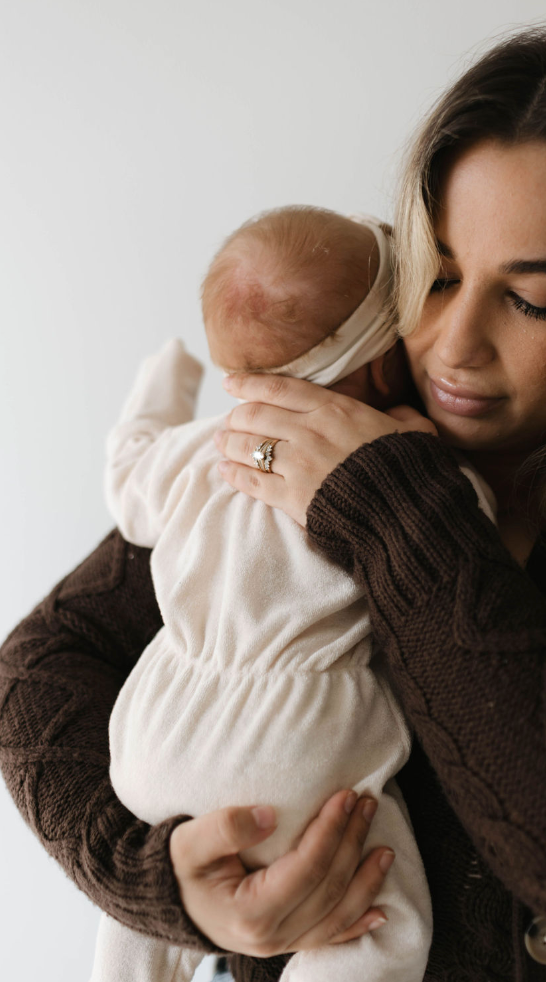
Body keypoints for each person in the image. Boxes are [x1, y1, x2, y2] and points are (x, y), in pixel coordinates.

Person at [1, 24, 546, 982]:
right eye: (440, 275)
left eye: (535, 302)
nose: (454, 346)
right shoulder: (324, 421)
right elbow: (36, 670)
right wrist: (164, 882)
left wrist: (397, 520)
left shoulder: (372, 471)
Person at [90, 206, 476, 982]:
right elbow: (466, 538)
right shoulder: (401, 463)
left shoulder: (207, 448)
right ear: (378, 362)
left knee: (136, 903)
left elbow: (127, 477)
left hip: (159, 734)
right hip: (300, 755)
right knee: (381, 916)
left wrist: (167, 380)